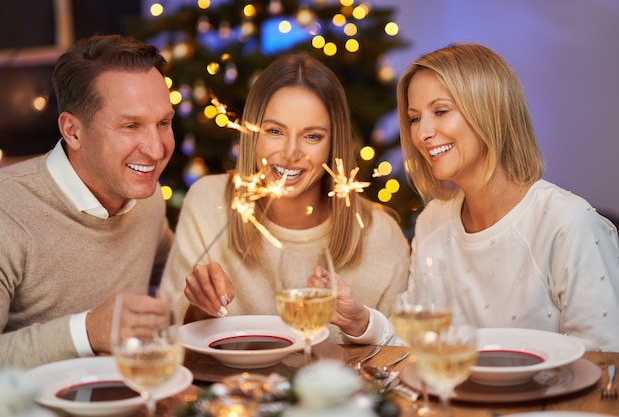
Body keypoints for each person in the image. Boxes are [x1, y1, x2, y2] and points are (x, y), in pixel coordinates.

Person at [159, 53, 410, 344]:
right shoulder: (208, 201)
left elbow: (401, 358)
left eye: (312, 136)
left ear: (333, 145)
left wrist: (362, 326)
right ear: (252, 133)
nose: (291, 153)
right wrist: (198, 308)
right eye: (275, 131)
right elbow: (165, 335)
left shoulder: (382, 235)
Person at [393, 42, 619, 351]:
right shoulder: (432, 221)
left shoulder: (569, 224)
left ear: (490, 110)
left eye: (441, 111)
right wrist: (361, 323)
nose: (422, 134)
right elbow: (411, 339)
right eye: (415, 117)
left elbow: (605, 366)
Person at [0, 34, 176, 369]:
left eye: (164, 123)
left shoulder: (147, 198)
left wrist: (199, 287)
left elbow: (170, 280)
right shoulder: (0, 212)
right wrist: (88, 331)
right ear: (73, 131)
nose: (156, 149)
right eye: (131, 125)